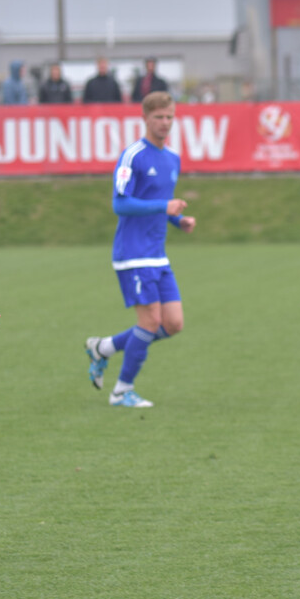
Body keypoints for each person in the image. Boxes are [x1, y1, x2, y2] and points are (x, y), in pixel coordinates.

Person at [83, 92, 195, 407]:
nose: (165, 123)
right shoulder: (133, 155)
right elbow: (120, 203)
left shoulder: (172, 158)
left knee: (173, 324)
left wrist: (177, 220)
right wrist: (165, 205)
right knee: (148, 322)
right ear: (145, 118)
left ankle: (103, 347)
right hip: (132, 254)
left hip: (157, 253)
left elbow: (159, 206)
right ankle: (121, 391)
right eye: (158, 117)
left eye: (170, 117)